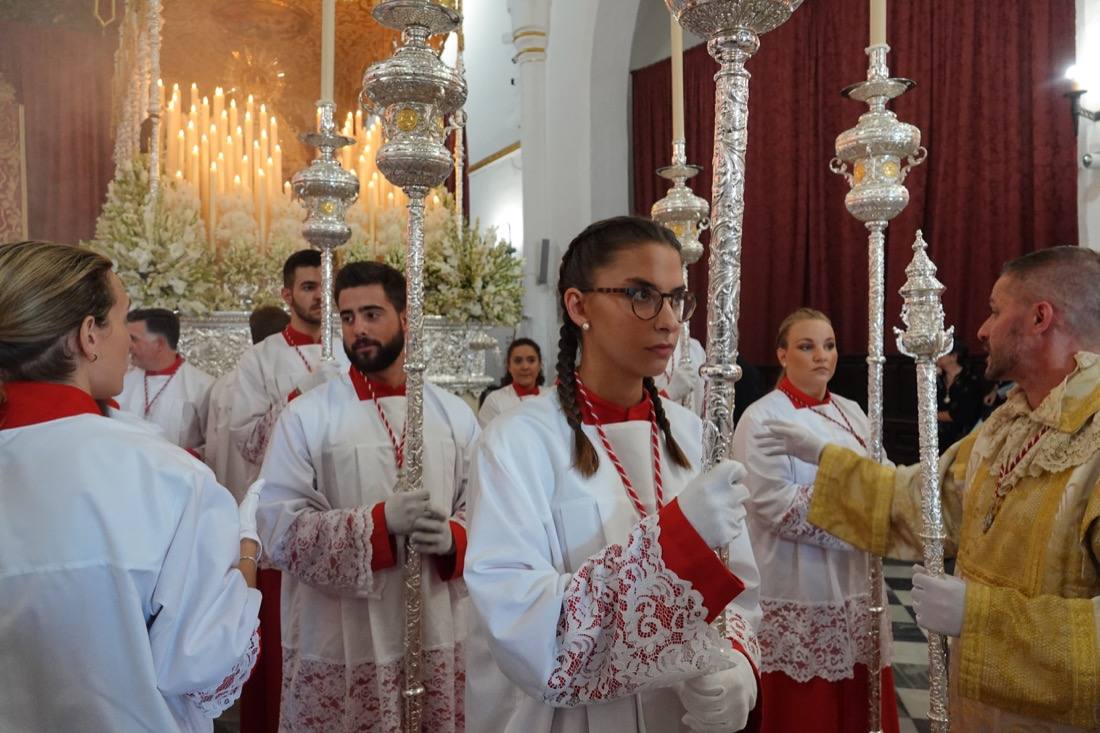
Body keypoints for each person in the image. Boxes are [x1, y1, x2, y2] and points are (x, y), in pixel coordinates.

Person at [759, 246, 1100, 731]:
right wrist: (831, 462)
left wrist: (978, 617)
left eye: (996, 311)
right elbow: (923, 501)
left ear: (1040, 318)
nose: (982, 329)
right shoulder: (1011, 423)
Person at [465, 216, 763, 733]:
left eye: (677, 298)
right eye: (640, 295)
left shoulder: (695, 435)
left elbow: (741, 587)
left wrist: (737, 662)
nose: (668, 320)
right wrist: (679, 540)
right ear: (579, 306)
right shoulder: (516, 442)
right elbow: (523, 625)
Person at [0, 241, 262, 731]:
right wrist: (246, 557)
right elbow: (204, 663)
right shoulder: (165, 475)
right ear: (88, 336)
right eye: (121, 320)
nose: (128, 342)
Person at [256, 261, 478, 732]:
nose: (358, 329)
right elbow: (278, 528)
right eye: (348, 317)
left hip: (436, 625)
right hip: (341, 636)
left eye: (372, 314)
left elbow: (488, 510)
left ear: (405, 317)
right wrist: (377, 526)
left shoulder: (453, 415)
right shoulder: (307, 417)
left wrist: (456, 539)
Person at [731, 308, 899, 733]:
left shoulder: (852, 411)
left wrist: (876, 498)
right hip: (798, 582)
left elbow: (888, 478)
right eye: (806, 346)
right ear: (782, 354)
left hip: (857, 579)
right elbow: (775, 505)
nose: (821, 356)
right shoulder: (762, 416)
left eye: (829, 345)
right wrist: (867, 508)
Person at [228, 251, 347, 733]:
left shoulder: (353, 350)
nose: (319, 297)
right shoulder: (260, 359)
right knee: (282, 656)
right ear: (286, 294)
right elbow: (250, 441)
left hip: (344, 517)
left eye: (325, 287)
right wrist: (302, 393)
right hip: (287, 523)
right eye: (308, 287)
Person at [204, 305, 290, 501]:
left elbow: (212, 449)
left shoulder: (221, 385)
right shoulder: (283, 379)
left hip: (229, 488)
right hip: (270, 490)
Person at [118, 307, 215, 454]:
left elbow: (214, 445)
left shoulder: (202, 387)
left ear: (159, 344)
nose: (128, 345)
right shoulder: (121, 381)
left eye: (134, 339)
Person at [477, 337, 545, 427]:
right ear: (509, 366)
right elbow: (486, 434)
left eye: (531, 360)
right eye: (518, 361)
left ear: (540, 365)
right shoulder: (494, 401)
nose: (525, 367)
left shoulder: (551, 397)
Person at [936, 341, 985, 448]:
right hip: (937, 437)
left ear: (954, 356)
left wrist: (933, 415)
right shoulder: (937, 379)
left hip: (963, 438)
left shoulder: (970, 379)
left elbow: (963, 414)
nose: (937, 355)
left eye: (942, 352)